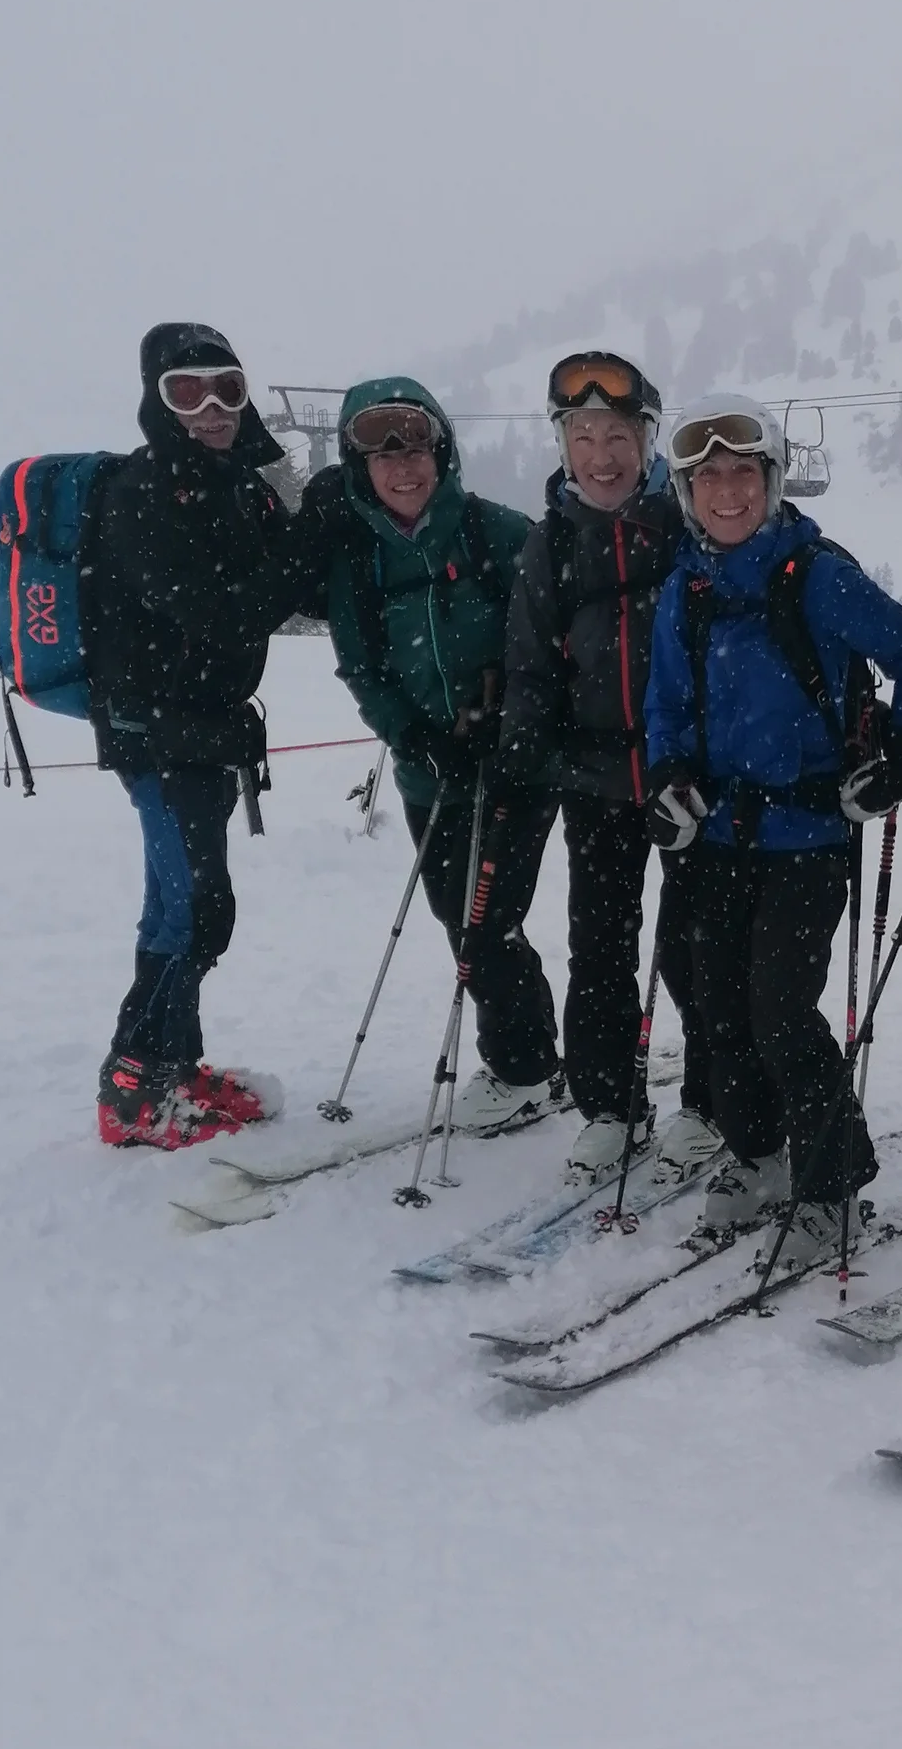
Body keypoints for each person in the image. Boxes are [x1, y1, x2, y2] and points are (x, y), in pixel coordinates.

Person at [645, 396, 902, 1273]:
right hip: (717, 836)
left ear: (771, 481)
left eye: (744, 472)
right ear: (687, 491)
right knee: (714, 1003)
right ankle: (757, 1150)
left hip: (809, 834)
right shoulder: (686, 588)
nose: (727, 491)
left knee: (778, 1009)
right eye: (708, 477)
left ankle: (828, 1182)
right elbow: (666, 704)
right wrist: (668, 776)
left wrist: (900, 755)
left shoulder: (817, 575)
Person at [307, 378, 563, 1132]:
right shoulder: (358, 561)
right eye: (383, 456)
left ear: (441, 453)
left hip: (515, 770)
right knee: (458, 916)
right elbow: (362, 668)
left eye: (416, 449)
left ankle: (522, 1069)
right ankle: (535, 1052)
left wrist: (514, 720)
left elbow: (554, 638)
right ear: (361, 468)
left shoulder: (497, 533)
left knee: (487, 920)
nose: (403, 468)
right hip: (428, 775)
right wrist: (414, 737)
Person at [499, 352, 724, 1185]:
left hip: (687, 778)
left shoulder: (687, 526)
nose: (603, 455)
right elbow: (529, 665)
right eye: (584, 435)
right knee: (599, 949)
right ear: (562, 445)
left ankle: (712, 1100)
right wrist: (525, 744)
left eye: (619, 435)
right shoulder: (549, 543)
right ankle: (610, 1108)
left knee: (698, 948)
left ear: (647, 441)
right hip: (593, 780)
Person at [91, 322, 307, 1147]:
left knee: (182, 904)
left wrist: (314, 522)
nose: (212, 407)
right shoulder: (142, 491)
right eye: (188, 390)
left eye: (228, 388)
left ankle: (171, 1066)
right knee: (193, 908)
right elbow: (217, 610)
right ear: (159, 400)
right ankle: (133, 1086)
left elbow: (293, 581)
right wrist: (297, 554)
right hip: (155, 734)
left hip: (207, 731)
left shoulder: (237, 486)